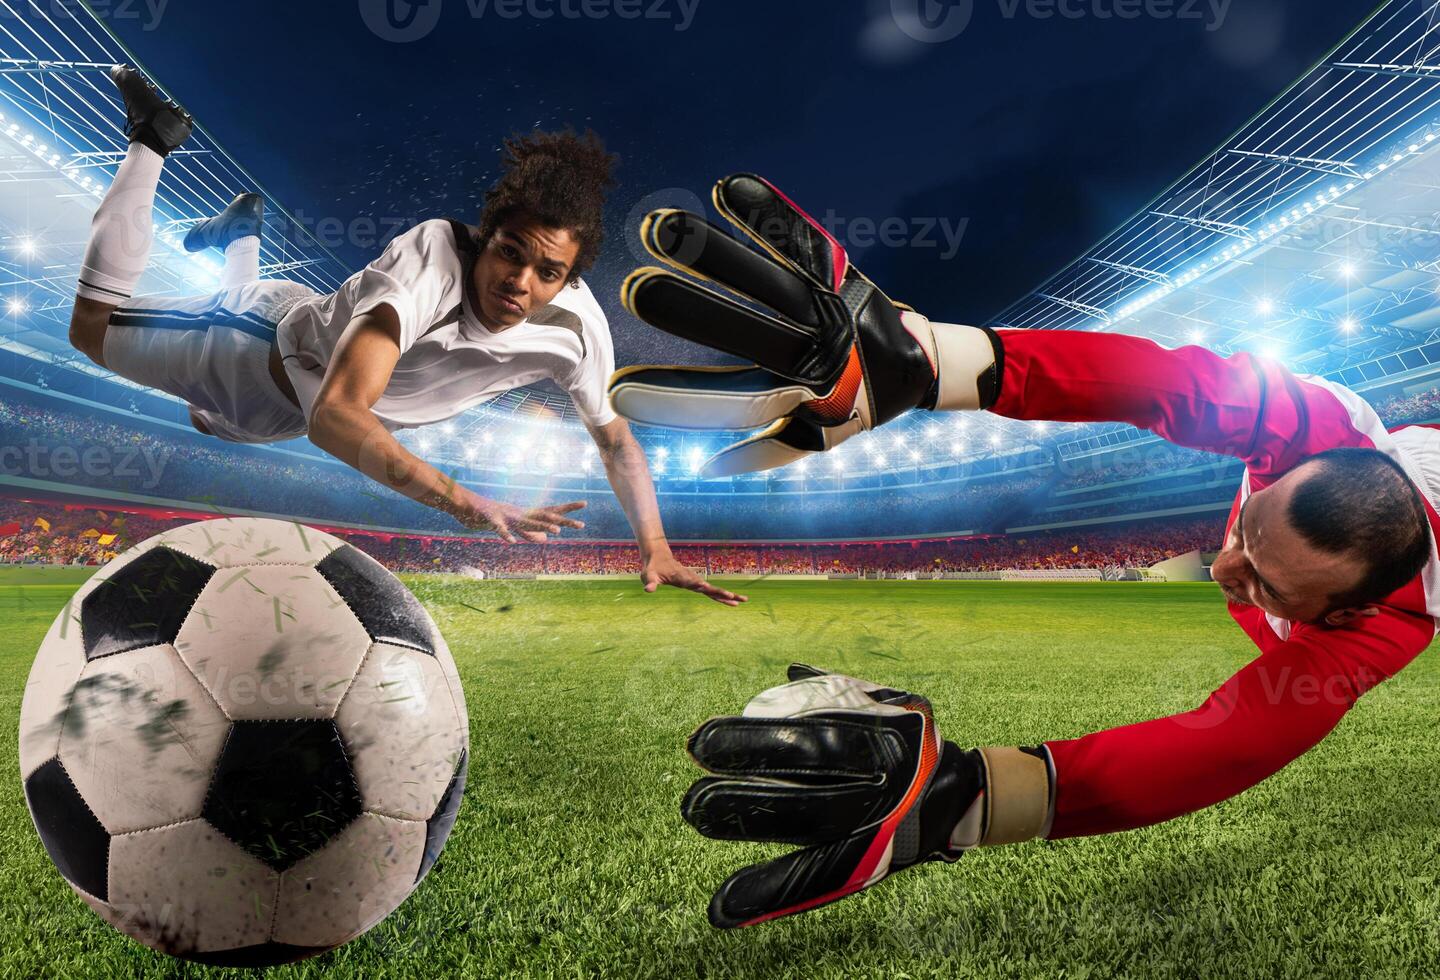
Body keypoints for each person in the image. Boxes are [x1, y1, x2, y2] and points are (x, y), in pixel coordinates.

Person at [608, 173, 1438, 926]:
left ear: (1349, 611)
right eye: (1249, 539)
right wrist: (934, 361)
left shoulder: (1389, 625)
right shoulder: (1321, 428)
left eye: (1269, 588)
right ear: (1303, 466)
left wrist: (971, 800)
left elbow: (1230, 741)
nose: (1224, 569)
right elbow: (1163, 383)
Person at [67, 65, 744, 605]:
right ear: (485, 236)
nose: (520, 283)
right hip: (255, 349)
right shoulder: (432, 259)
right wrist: (460, 499)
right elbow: (337, 416)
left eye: (548, 271)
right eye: (510, 252)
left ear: (570, 276)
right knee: (89, 329)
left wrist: (654, 545)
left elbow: (617, 440)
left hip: (282, 412)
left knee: (202, 420)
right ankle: (151, 140)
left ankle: (240, 235)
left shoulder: (577, 326)